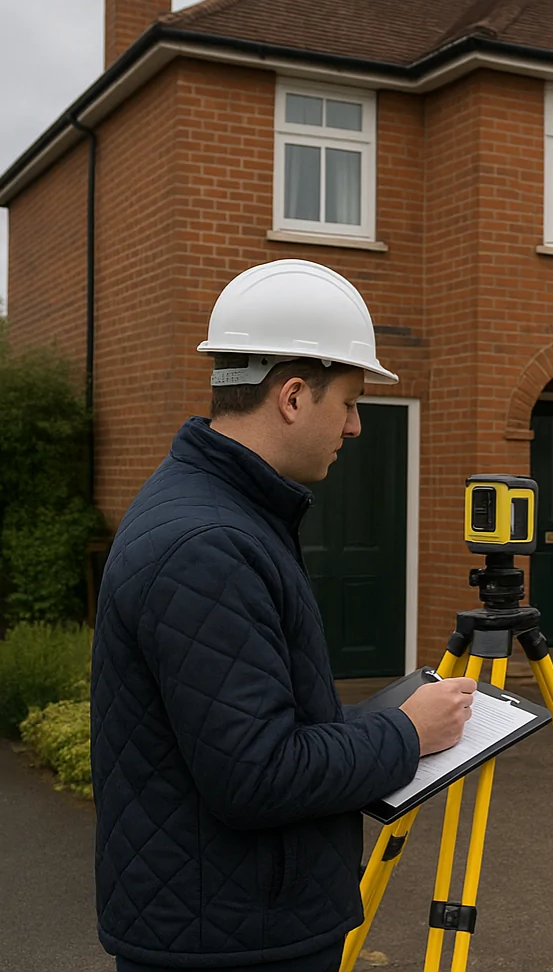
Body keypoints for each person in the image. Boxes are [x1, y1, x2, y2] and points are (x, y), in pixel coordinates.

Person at [90, 259, 475, 972]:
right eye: (351, 402)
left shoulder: (223, 513)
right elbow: (256, 775)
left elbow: (252, 728)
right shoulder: (208, 544)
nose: (357, 427)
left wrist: (374, 723)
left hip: (228, 924)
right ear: (294, 396)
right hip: (236, 945)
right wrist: (405, 733)